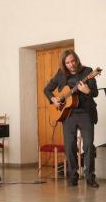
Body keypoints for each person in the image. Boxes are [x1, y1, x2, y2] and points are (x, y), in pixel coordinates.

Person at [43, 49, 100, 188]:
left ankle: (90, 177)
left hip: (86, 113)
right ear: (64, 63)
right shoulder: (61, 74)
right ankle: (72, 176)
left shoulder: (88, 71)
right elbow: (47, 89)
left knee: (88, 145)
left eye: (73, 61)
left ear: (77, 60)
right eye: (67, 62)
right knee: (69, 146)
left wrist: (87, 91)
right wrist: (54, 100)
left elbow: (95, 92)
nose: (71, 65)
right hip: (68, 114)